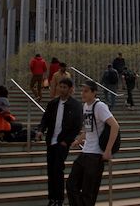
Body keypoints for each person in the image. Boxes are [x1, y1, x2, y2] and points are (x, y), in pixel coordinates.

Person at [67, 80, 119, 206]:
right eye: (82, 91)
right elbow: (88, 128)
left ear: (94, 92)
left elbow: (115, 126)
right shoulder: (85, 106)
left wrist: (107, 150)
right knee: (71, 184)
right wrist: (79, 140)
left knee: (88, 191)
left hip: (96, 155)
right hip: (85, 152)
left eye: (86, 91)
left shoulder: (100, 106)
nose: (83, 94)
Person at [38, 78, 83, 206]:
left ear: (70, 89)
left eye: (64, 87)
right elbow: (45, 119)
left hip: (62, 142)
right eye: (60, 86)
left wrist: (66, 141)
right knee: (50, 170)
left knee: (58, 170)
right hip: (51, 141)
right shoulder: (53, 103)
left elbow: (77, 126)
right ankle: (52, 198)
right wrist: (41, 130)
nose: (61, 89)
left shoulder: (75, 105)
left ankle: (59, 199)